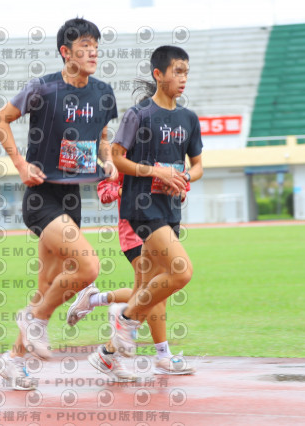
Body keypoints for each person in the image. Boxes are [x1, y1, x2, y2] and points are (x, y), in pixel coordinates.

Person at [0, 17, 120, 390]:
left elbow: (103, 136)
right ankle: (36, 320)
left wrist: (108, 160)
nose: (93, 52)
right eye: (84, 46)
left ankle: (13, 360)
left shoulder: (103, 93)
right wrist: (20, 164)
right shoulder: (43, 89)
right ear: (66, 52)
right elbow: (0, 120)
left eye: (96, 46)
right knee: (88, 267)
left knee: (47, 282)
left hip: (72, 197)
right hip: (41, 196)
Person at [105, 45, 203, 362]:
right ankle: (126, 318)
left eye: (186, 72)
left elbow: (198, 167)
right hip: (141, 207)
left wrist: (183, 177)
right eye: (177, 71)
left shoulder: (189, 118)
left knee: (146, 286)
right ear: (158, 74)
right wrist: (155, 172)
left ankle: (108, 354)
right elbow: (117, 159)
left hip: (170, 209)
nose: (183, 78)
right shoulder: (139, 115)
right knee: (181, 271)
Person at [67, 172, 195, 380]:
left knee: (146, 293)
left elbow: (183, 186)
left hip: (164, 227)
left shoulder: (166, 154)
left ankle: (107, 348)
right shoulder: (128, 157)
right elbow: (104, 190)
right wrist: (127, 191)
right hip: (136, 231)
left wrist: (178, 190)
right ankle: (162, 357)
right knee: (154, 295)